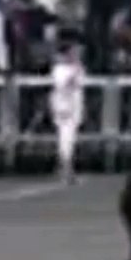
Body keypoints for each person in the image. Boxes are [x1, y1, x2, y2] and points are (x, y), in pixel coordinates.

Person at [49, 41, 84, 185]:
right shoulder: (59, 69)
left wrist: (76, 70)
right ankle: (66, 170)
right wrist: (74, 73)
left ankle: (65, 169)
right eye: (73, 52)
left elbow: (79, 85)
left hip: (75, 105)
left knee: (70, 139)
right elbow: (63, 86)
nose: (76, 55)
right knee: (65, 138)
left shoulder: (79, 68)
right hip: (64, 105)